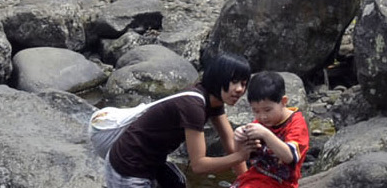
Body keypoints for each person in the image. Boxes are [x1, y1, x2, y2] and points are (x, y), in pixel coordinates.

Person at [104, 52, 251, 188]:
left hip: (152, 163)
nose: (239, 89)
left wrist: (246, 182)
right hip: (128, 167)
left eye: (243, 84)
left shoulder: (214, 101)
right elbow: (199, 165)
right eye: (234, 82)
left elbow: (230, 144)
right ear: (219, 79)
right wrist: (240, 156)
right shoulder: (194, 106)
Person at [231, 71, 309, 188]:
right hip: (256, 176)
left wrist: (265, 134)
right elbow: (241, 156)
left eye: (267, 110)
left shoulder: (296, 123)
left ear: (283, 102)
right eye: (256, 111)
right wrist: (238, 138)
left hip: (281, 182)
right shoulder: (260, 123)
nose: (262, 116)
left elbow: (290, 157)